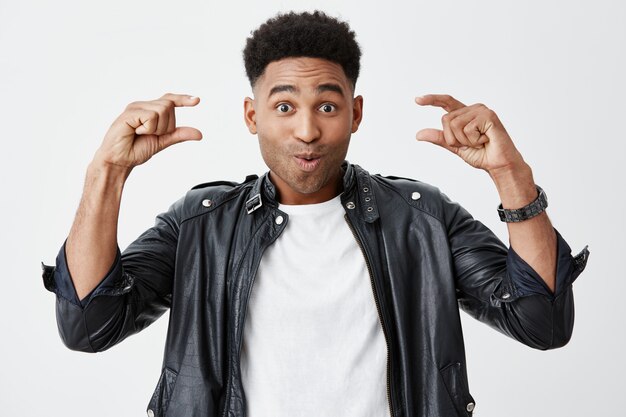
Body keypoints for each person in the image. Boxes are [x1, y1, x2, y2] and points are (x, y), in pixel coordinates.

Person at [42, 10, 589, 417]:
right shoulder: (200, 225)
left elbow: (541, 322)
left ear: (355, 114)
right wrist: (107, 173)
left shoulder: (421, 220)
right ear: (253, 116)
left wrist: (511, 177)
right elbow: (89, 325)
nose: (306, 130)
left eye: (327, 106)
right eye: (285, 107)